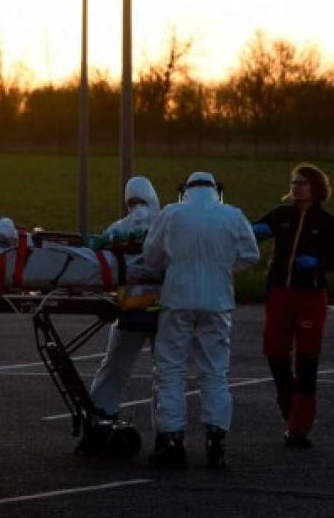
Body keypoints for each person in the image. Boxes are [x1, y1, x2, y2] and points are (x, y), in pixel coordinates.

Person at [143, 172, 259, 469]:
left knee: (171, 370)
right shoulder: (232, 215)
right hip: (217, 303)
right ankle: (215, 440)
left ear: (187, 190)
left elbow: (151, 255)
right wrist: (222, 269)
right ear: (215, 190)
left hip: (177, 300)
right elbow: (250, 254)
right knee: (215, 372)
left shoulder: (172, 212)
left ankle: (172, 440)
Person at [253, 162, 334, 449]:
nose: (295, 186)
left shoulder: (326, 223)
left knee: (307, 360)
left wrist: (319, 262)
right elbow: (255, 232)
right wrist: (251, 230)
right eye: (293, 182)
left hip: (310, 297)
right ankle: (287, 399)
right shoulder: (280, 215)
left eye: (301, 183)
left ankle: (299, 428)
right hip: (279, 295)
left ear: (315, 188)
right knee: (274, 351)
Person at [78, 176, 161, 454]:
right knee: (165, 373)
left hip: (131, 307)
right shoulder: (165, 226)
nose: (137, 207)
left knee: (114, 366)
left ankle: (101, 416)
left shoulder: (118, 229)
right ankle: (167, 431)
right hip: (162, 307)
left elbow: (104, 262)